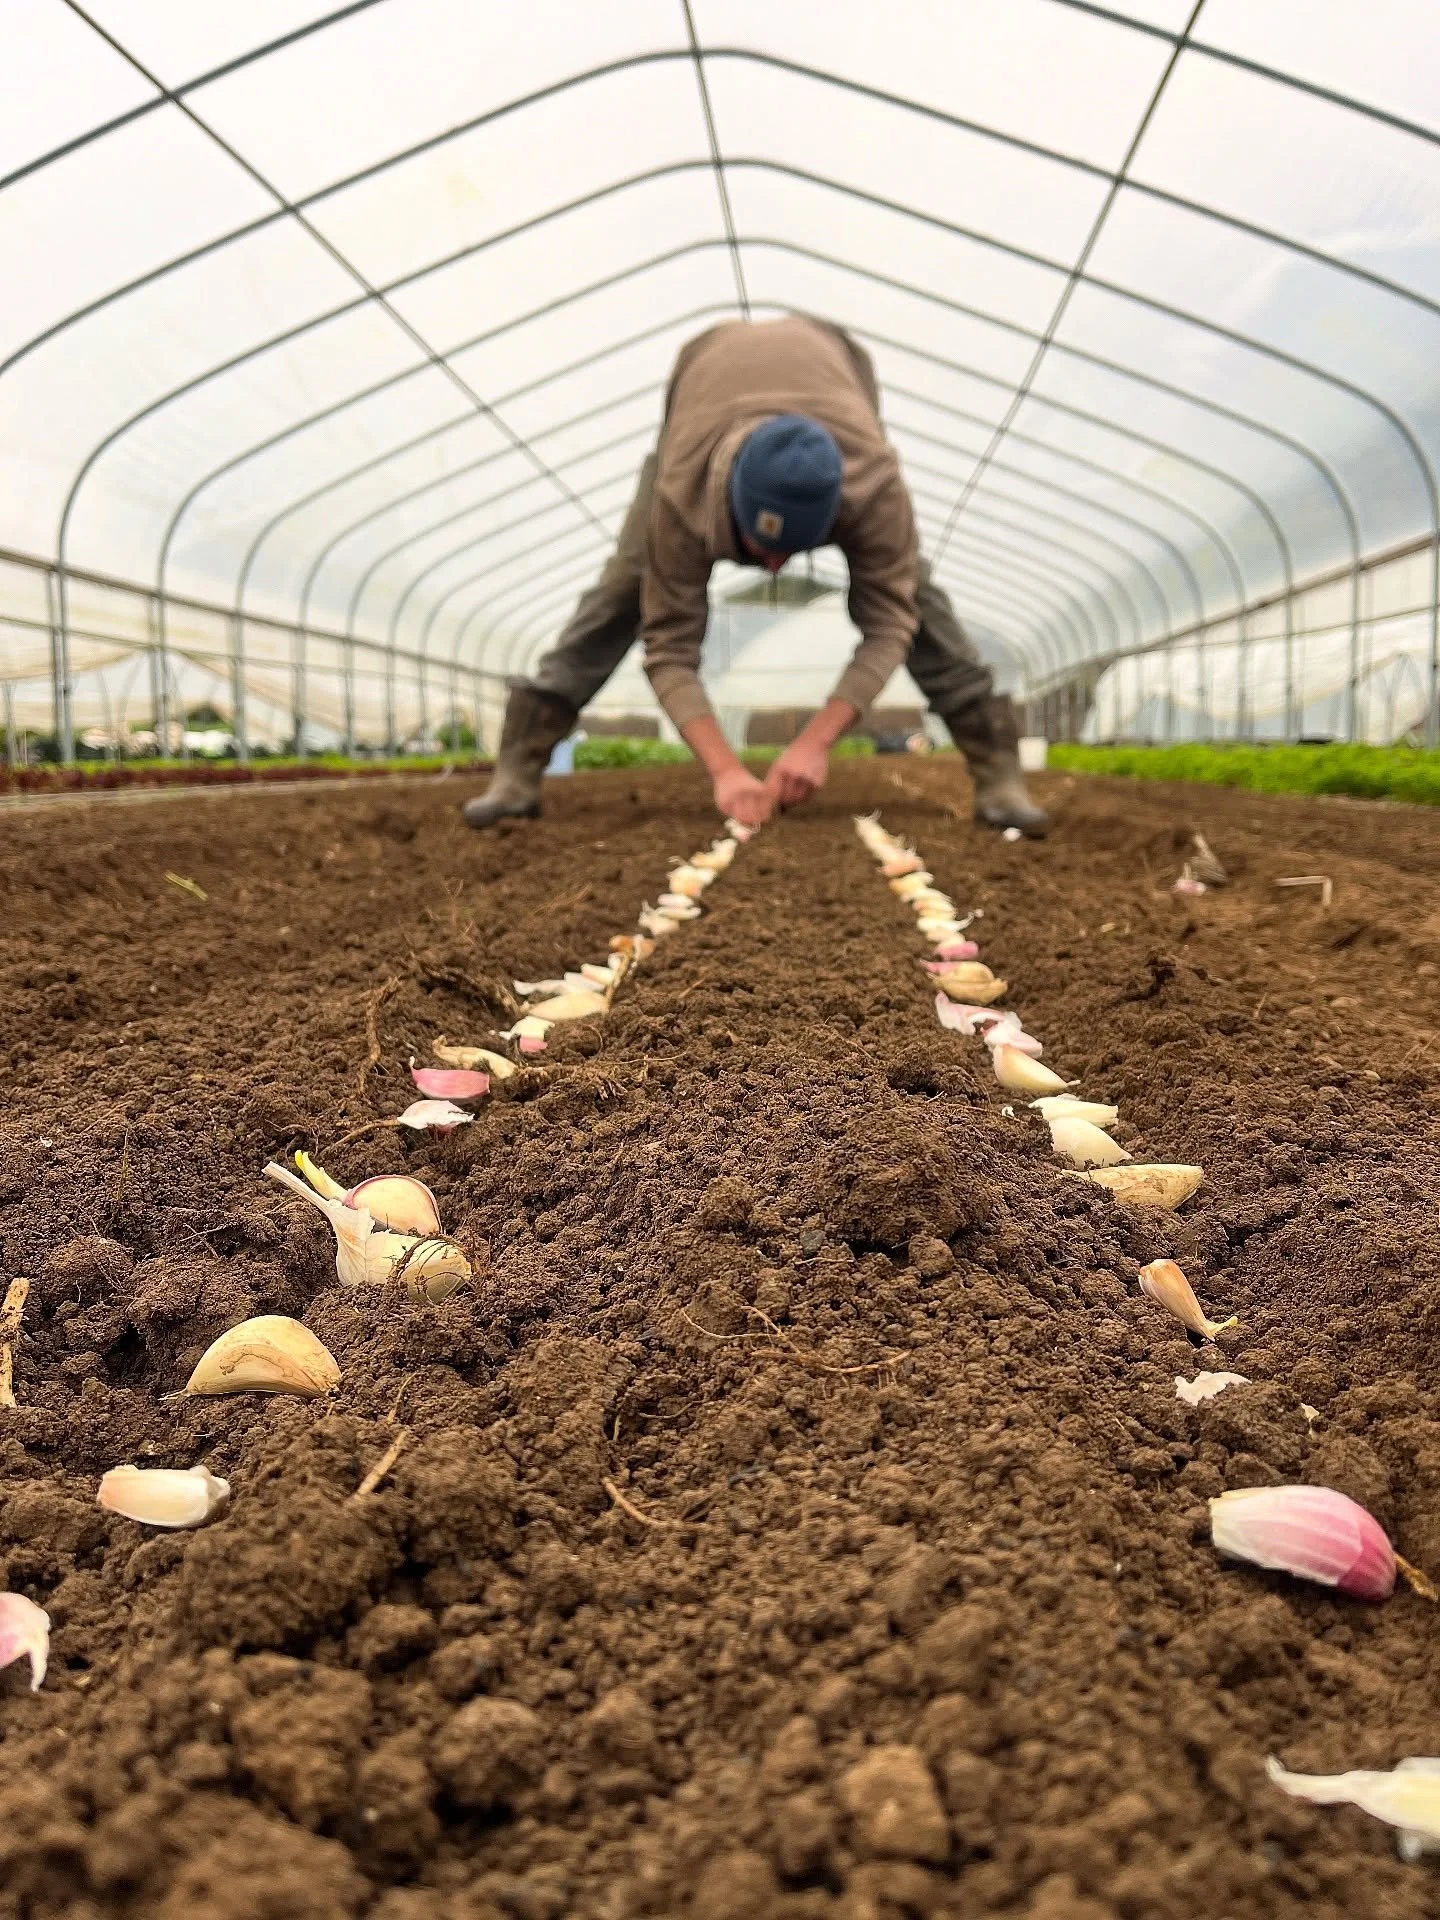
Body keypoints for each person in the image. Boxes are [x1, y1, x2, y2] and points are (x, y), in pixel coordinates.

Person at [463, 315, 1048, 835]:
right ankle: (519, 767)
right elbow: (668, 645)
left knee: (912, 594)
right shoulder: (682, 491)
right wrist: (725, 769)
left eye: (790, 554)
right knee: (624, 587)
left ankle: (998, 771)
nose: (773, 568)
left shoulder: (873, 486)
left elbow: (889, 623)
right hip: (700, 418)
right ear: (728, 510)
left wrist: (816, 741)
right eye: (759, 550)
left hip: (834, 377)